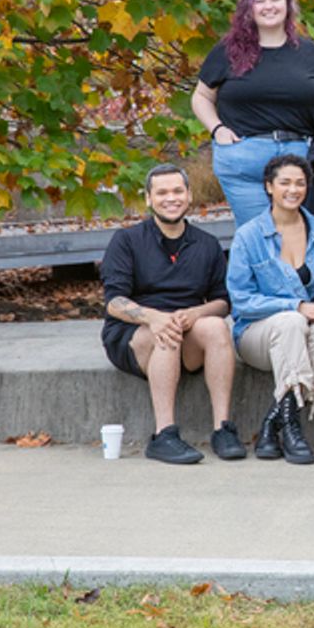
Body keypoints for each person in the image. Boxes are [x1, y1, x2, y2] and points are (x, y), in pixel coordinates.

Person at [100, 164, 244, 464]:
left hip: (186, 329)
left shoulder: (206, 244)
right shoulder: (127, 241)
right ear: (149, 199)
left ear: (189, 195)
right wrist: (154, 317)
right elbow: (114, 302)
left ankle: (223, 429)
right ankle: (164, 435)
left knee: (217, 327)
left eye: (178, 191)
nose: (171, 198)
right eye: (162, 192)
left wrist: (197, 313)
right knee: (166, 332)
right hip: (134, 336)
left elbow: (222, 301)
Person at [192, 0, 314, 229]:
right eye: (260, 0)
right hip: (244, 158)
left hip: (300, 160)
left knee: (301, 239)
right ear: (249, 8)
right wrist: (217, 129)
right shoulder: (228, 51)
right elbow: (201, 97)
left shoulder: (309, 53)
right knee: (259, 239)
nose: (269, 6)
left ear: (288, 4)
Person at [226, 154, 314, 465]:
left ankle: (275, 421)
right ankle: (291, 428)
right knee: (292, 321)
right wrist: (298, 306)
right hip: (256, 335)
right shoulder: (249, 236)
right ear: (269, 187)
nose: (293, 189)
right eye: (285, 183)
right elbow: (240, 300)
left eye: (300, 183)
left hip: (303, 332)